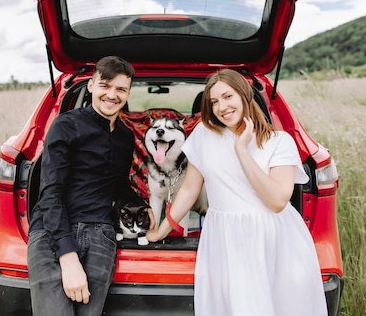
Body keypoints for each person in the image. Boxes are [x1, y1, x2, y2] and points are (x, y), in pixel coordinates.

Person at [146, 69, 327, 316]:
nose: (222, 106)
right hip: (223, 235)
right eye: (214, 102)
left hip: (272, 238)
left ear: (244, 95)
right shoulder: (203, 135)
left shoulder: (279, 141)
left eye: (228, 96)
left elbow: (276, 201)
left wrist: (242, 151)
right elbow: (189, 189)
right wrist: (160, 232)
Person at [27, 55, 154, 316]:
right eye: (105, 85)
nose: (112, 95)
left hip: (100, 233)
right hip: (51, 231)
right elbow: (50, 192)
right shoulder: (66, 125)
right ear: (92, 86)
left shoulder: (124, 136)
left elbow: (117, 186)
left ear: (128, 92)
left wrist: (143, 206)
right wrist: (67, 255)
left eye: (121, 89)